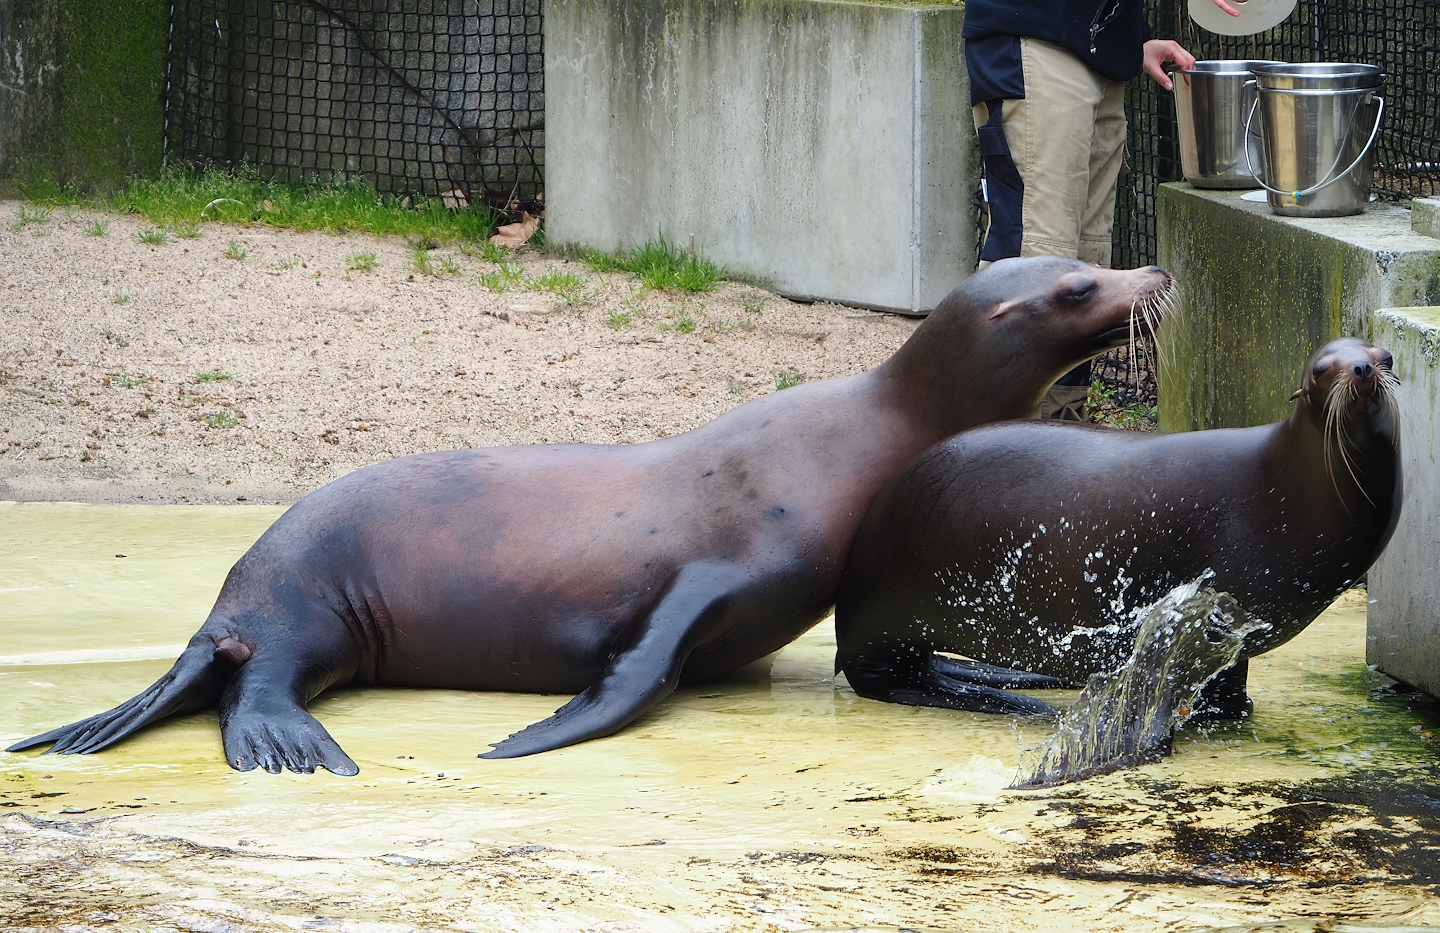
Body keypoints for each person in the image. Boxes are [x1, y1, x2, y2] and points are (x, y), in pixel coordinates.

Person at [964, 0, 1237, 420]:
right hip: (1035, 40)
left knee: (1082, 275)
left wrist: (1131, 37)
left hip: (1097, 58)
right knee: (1038, 257)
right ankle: (993, 442)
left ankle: (1056, 437)